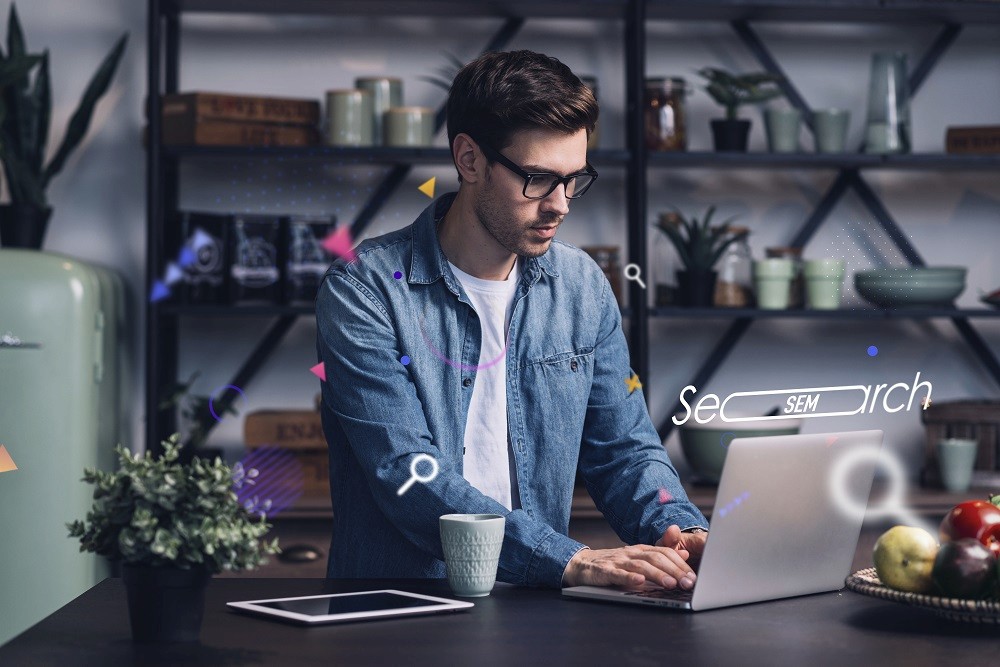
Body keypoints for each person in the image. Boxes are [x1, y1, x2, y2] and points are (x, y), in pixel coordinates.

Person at [316, 49, 708, 591]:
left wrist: (681, 531)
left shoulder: (582, 287)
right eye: (538, 179)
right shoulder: (365, 291)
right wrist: (567, 561)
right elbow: (407, 473)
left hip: (536, 607)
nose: (561, 205)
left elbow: (625, 449)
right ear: (470, 159)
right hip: (403, 610)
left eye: (575, 179)